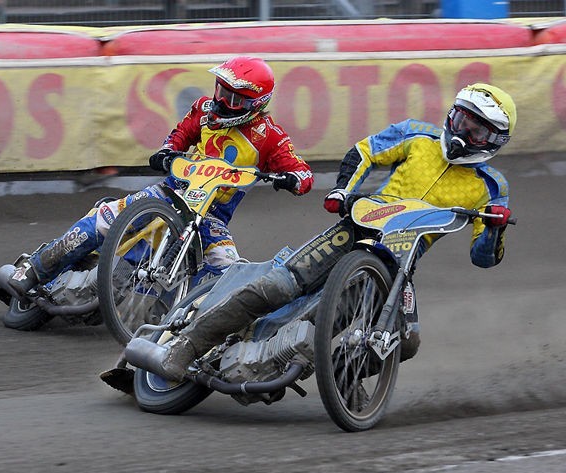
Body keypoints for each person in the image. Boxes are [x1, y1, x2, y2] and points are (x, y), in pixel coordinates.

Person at [151, 83, 517, 382]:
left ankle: (340, 378)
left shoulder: (491, 185)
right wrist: (344, 190)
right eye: (461, 119)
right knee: (278, 286)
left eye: (476, 129)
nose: (462, 131)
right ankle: (187, 346)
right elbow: (364, 152)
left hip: (401, 260)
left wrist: (496, 229)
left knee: (405, 341)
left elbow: (483, 257)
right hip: (356, 228)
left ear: (494, 140)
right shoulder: (417, 135)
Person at [0, 56, 314, 301]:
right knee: (103, 220)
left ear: (255, 105)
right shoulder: (203, 110)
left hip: (210, 217)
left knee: (229, 270)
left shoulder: (270, 136)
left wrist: (290, 180)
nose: (222, 102)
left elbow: (303, 174)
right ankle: (33, 269)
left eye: (233, 99)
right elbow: (178, 136)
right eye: (221, 91)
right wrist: (166, 151)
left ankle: (189, 334)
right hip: (170, 193)